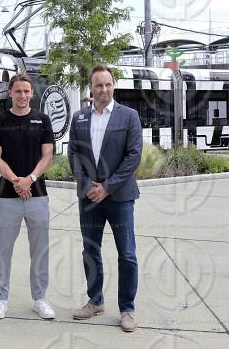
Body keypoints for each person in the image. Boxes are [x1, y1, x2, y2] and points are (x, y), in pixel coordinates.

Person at [68, 64, 143, 332]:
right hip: (89, 197)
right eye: (98, 85)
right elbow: (73, 154)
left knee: (127, 254)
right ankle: (95, 300)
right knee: (90, 250)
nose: (104, 90)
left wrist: (107, 187)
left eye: (108, 84)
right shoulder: (79, 118)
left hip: (120, 197)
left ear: (114, 85)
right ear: (91, 88)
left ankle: (127, 309)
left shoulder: (129, 116)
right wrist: (88, 184)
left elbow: (133, 155)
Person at [0, 74, 56, 320]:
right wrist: (17, 181)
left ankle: (40, 299)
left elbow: (47, 156)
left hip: (37, 196)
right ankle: (1, 299)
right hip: (8, 197)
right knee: (3, 250)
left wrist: (30, 179)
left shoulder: (43, 120)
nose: (23, 95)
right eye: (18, 91)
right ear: (10, 93)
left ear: (32, 94)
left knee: (39, 250)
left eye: (27, 91)